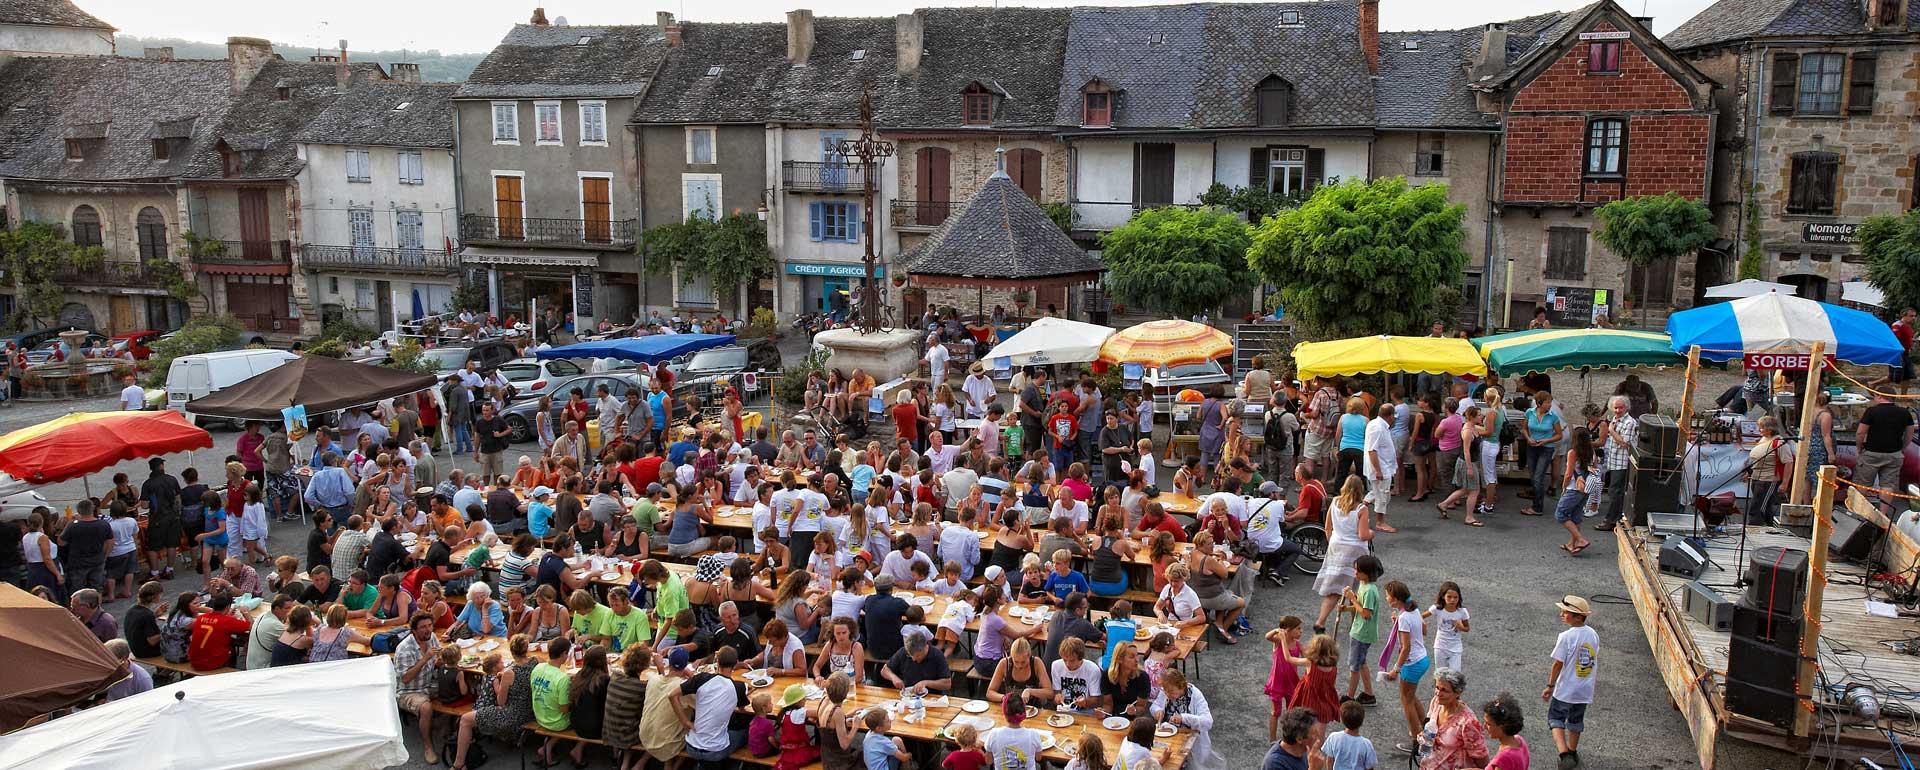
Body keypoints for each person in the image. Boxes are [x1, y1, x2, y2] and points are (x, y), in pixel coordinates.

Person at [1313, 478, 1374, 634]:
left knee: (1334, 589)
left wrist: (1333, 542)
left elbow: (1327, 527)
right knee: (1357, 589)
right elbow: (1362, 535)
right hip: (1355, 551)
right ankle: (1356, 623)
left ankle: (1320, 621)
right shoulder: (1361, 508)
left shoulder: (1334, 502)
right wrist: (1372, 533)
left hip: (1336, 546)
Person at [393, 612, 442, 762]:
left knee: (458, 684)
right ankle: (428, 747)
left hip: (429, 683)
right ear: (414, 630)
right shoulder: (405, 648)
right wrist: (426, 658)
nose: (428, 630)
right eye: (423, 627)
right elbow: (406, 679)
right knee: (425, 707)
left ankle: (446, 727)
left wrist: (440, 661)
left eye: (429, 626)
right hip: (409, 691)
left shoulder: (431, 637)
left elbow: (437, 658)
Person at [1857, 391, 1915, 515]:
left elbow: (1860, 432)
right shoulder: (1904, 412)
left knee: (1864, 483)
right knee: (1887, 485)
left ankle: (1860, 512)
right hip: (1894, 453)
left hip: (1871, 452)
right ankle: (1883, 514)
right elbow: (1910, 433)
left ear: (1879, 396)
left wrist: (1859, 447)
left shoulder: (1871, 411)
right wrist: (1902, 447)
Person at [1594, 396, 1637, 532]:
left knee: (1615, 492)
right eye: (1615, 407)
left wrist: (1611, 431)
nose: (1617, 410)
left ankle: (1611, 520)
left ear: (1626, 408)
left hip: (1622, 463)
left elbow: (1625, 443)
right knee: (1614, 492)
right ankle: (1615, 519)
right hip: (1613, 461)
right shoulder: (1615, 419)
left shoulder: (1630, 422)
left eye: (1620, 407)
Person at [1520, 391, 1564, 517]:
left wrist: (1546, 440)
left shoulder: (1553, 416)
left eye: (1550, 402)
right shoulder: (1529, 412)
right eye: (1548, 402)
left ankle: (1537, 507)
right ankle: (1536, 502)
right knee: (1534, 477)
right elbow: (1523, 428)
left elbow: (1559, 435)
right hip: (1532, 447)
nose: (1550, 405)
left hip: (1546, 448)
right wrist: (1528, 438)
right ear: (1539, 403)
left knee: (1538, 477)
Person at [1263, 615, 1306, 741]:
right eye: (1298, 629)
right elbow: (1267, 636)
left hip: (1291, 683)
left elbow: (1308, 658)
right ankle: (1272, 739)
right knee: (1275, 712)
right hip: (1277, 682)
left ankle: (1288, 738)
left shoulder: (1298, 645)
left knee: (1291, 712)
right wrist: (1277, 630)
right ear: (1288, 630)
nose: (1301, 631)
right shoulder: (1278, 641)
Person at [1555, 429, 1597, 555]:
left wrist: (1563, 487)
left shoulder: (1573, 453)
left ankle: (1580, 540)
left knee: (1560, 514)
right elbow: (1594, 468)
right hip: (1586, 489)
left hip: (1574, 488)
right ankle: (1571, 544)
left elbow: (1568, 474)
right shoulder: (1592, 452)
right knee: (1576, 517)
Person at [984, 694, 1048, 770]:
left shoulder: (994, 734)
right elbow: (1038, 758)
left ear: (1004, 712)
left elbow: (989, 761)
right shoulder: (1033, 735)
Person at [1363, 402, 1400, 533]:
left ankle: (1360, 508)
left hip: (1383, 466)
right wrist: (1378, 470)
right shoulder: (1378, 427)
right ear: (1389, 416)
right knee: (1382, 495)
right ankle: (1380, 522)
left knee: (1378, 492)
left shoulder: (1376, 424)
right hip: (1380, 467)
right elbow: (1372, 450)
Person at [1319, 701, 1378, 770]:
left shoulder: (1334, 737)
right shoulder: (1366, 744)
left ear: (1343, 720)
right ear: (1362, 722)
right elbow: (1369, 766)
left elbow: (1329, 761)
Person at [1483, 692, 1531, 770]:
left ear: (1502, 726)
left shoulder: (1503, 759)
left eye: (1488, 724)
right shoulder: (1519, 740)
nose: (1484, 726)